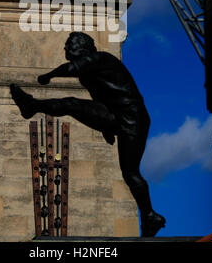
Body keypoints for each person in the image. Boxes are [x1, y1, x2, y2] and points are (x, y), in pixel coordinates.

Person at [10, 32, 166, 237]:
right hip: (116, 117)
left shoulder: (101, 58)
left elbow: (71, 68)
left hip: (132, 119)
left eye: (69, 44)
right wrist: (105, 127)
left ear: (82, 46)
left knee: (130, 172)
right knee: (72, 104)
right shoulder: (89, 73)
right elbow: (100, 100)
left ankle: (149, 215)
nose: (65, 49)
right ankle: (31, 106)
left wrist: (48, 75)